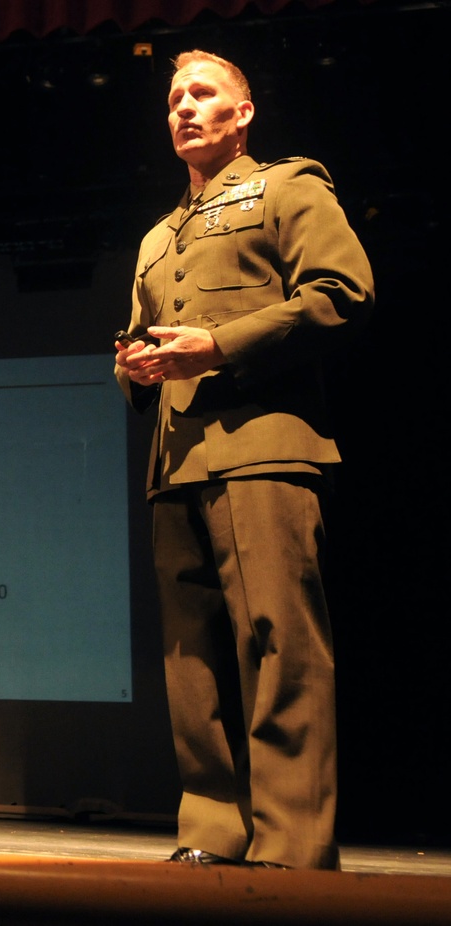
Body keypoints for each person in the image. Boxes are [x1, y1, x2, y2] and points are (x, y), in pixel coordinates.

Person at [113, 49, 373, 871]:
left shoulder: (289, 187)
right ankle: (212, 832)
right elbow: (148, 337)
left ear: (243, 112)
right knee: (190, 660)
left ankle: (292, 845)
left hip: (262, 450)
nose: (185, 108)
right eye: (173, 99)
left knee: (278, 644)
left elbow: (341, 292)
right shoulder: (158, 237)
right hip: (176, 459)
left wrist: (218, 346)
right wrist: (134, 368)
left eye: (203, 94)